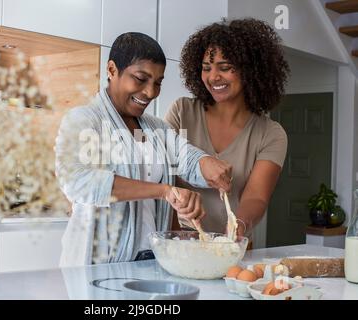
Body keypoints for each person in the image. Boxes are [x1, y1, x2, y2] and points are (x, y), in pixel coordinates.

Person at [55, 32, 232, 267]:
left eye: (157, 82)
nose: (150, 92)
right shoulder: (85, 120)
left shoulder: (155, 128)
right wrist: (163, 191)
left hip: (150, 262)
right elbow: (78, 181)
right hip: (96, 266)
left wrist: (206, 163)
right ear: (111, 70)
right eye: (140, 79)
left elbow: (185, 157)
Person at [165, 18, 290, 239]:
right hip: (180, 239)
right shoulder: (182, 112)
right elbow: (159, 170)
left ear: (251, 70)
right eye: (206, 68)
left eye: (225, 68)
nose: (213, 77)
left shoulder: (271, 134)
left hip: (230, 245)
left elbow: (256, 197)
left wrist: (238, 226)